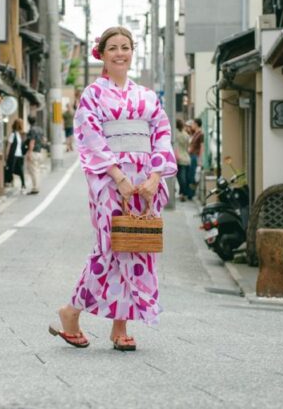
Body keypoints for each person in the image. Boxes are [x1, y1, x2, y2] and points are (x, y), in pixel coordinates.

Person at [48, 26, 177, 352]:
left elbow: (161, 133)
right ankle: (71, 312)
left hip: (145, 181)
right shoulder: (93, 94)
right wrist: (118, 177)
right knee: (110, 247)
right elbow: (90, 136)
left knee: (137, 248)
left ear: (132, 52)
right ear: (102, 55)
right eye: (113, 48)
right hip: (110, 180)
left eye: (125, 47)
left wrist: (155, 177)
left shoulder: (147, 97)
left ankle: (120, 327)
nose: (120, 53)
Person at [4, 118, 26, 192]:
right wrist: (6, 155)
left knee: (20, 170)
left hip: (19, 155)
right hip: (13, 155)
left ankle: (23, 184)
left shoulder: (19, 134)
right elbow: (9, 145)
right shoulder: (13, 134)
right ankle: (9, 182)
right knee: (11, 169)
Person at [174, 118, 193, 201]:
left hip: (179, 158)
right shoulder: (186, 134)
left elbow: (175, 146)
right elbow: (188, 145)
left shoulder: (175, 134)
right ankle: (183, 193)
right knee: (185, 177)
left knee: (181, 178)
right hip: (187, 158)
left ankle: (183, 194)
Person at [25, 115, 44, 195]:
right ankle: (36, 186)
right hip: (39, 151)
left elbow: (32, 141)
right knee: (37, 170)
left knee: (33, 171)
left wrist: (29, 152)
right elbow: (44, 139)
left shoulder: (32, 130)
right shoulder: (40, 129)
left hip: (34, 152)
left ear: (28, 121)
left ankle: (35, 188)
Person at [187, 118, 204, 196]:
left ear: (196, 124)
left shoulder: (201, 134)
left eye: (193, 124)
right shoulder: (195, 133)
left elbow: (202, 147)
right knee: (190, 174)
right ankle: (191, 193)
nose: (192, 125)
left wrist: (200, 159)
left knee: (192, 175)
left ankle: (192, 193)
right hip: (191, 155)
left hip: (195, 156)